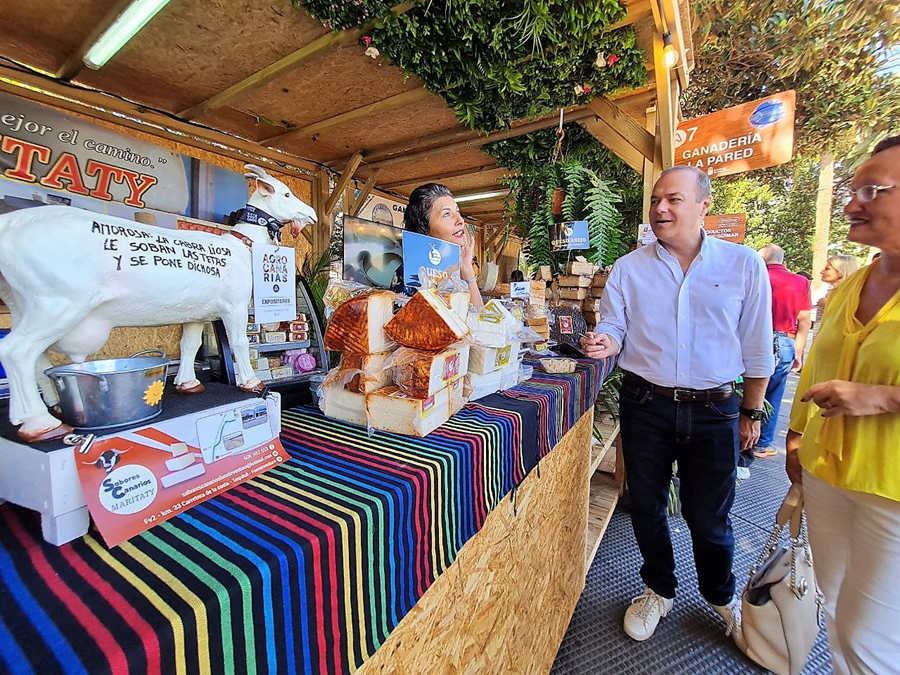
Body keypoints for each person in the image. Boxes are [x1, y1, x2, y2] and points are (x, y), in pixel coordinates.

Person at [581, 166, 773, 648]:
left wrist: (751, 413)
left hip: (716, 409)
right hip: (646, 402)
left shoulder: (743, 264)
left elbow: (757, 347)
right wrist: (606, 339)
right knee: (645, 506)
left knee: (708, 515)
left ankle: (721, 596)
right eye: (655, 200)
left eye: (673, 199)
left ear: (704, 206)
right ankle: (658, 589)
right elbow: (615, 324)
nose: (660, 208)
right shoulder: (630, 267)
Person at [786, 136, 900, 675]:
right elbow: (814, 370)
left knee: (869, 640)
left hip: (891, 492)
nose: (853, 203)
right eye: (853, 189)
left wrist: (883, 397)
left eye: (873, 189)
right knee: (834, 608)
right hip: (828, 473)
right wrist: (795, 435)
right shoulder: (852, 283)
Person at [753, 244, 812, 459]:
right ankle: (762, 443)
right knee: (774, 394)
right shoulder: (801, 282)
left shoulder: (754, 274)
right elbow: (804, 320)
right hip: (785, 340)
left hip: (754, 338)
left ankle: (740, 437)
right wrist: (799, 350)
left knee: (745, 389)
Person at [403, 183, 484, 307]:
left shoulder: (457, 270)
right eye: (446, 214)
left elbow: (479, 317)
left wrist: (467, 270)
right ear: (424, 227)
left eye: (457, 212)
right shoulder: (409, 273)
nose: (460, 220)